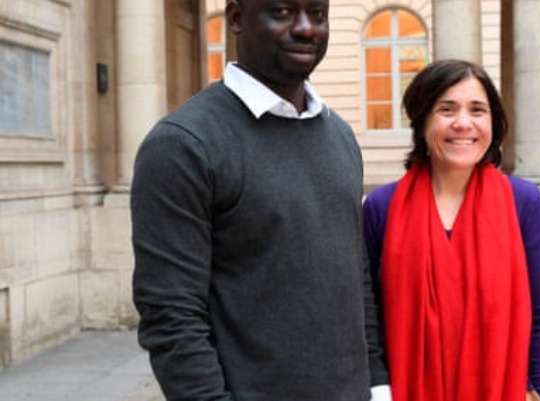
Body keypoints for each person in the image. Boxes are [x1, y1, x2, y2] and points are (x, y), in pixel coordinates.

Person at [131, 0, 387, 400]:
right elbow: (172, 318)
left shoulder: (339, 135)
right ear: (236, 18)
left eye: (318, 14)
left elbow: (356, 276)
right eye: (282, 12)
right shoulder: (183, 145)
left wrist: (377, 383)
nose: (305, 28)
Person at [362, 59, 540, 401]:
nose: (463, 123)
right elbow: (367, 320)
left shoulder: (526, 204)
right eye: (447, 109)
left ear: (493, 122)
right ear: (422, 120)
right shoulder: (381, 208)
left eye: (477, 110)